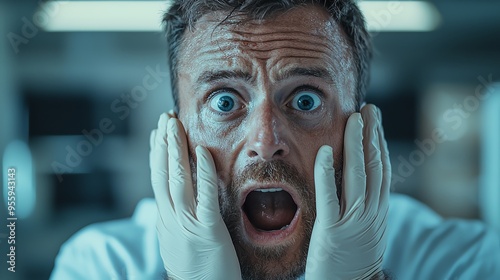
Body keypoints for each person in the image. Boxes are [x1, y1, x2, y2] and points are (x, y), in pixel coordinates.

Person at [51, 1, 500, 279]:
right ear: (176, 137)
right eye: (224, 102)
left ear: (362, 131)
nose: (266, 142)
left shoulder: (464, 263)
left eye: (305, 100)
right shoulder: (102, 266)